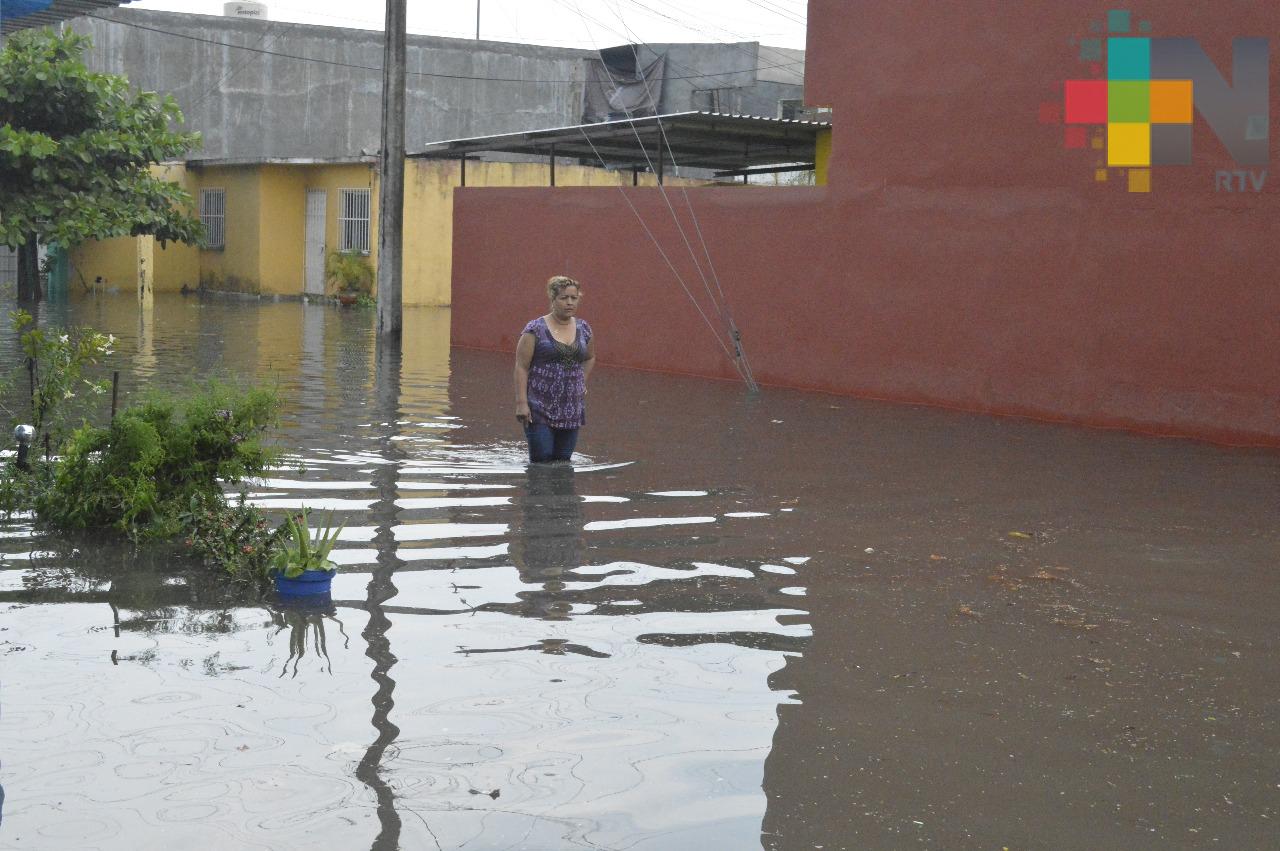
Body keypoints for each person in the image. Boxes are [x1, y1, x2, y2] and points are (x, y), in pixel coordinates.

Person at [514, 275, 595, 463]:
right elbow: (521, 366)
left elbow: (590, 357)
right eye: (564, 298)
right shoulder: (535, 329)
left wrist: (582, 380)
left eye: (573, 298)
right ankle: (538, 493)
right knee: (541, 460)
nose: (569, 303)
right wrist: (521, 403)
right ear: (552, 299)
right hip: (539, 406)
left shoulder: (584, 328)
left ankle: (562, 494)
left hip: (571, 407)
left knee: (563, 461)